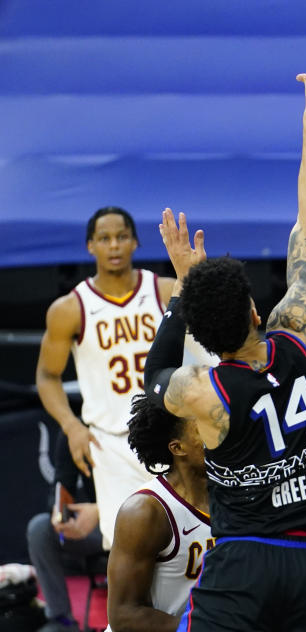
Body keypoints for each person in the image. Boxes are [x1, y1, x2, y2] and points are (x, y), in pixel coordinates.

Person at [144, 39, 306, 632]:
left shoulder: (200, 390)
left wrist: (183, 295)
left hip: (241, 561)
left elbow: (152, 378)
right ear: (253, 308)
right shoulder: (297, 331)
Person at [36, 206, 173, 548]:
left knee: (186, 543)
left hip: (169, 434)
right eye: (104, 238)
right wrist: (71, 426)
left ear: (135, 243)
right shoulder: (70, 308)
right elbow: (47, 375)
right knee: (128, 551)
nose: (114, 245)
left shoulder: (164, 292)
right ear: (90, 247)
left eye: (121, 237)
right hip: (111, 443)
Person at [106, 394, 212, 632]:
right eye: (204, 427)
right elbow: (124, 616)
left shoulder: (233, 493)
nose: (218, 433)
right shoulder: (145, 511)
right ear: (178, 447)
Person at [26, 432, 101, 632]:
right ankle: (62, 620)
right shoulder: (74, 431)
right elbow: (60, 486)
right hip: (96, 529)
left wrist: (101, 510)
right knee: (40, 528)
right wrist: (59, 514)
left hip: (136, 520)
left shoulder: (136, 422)